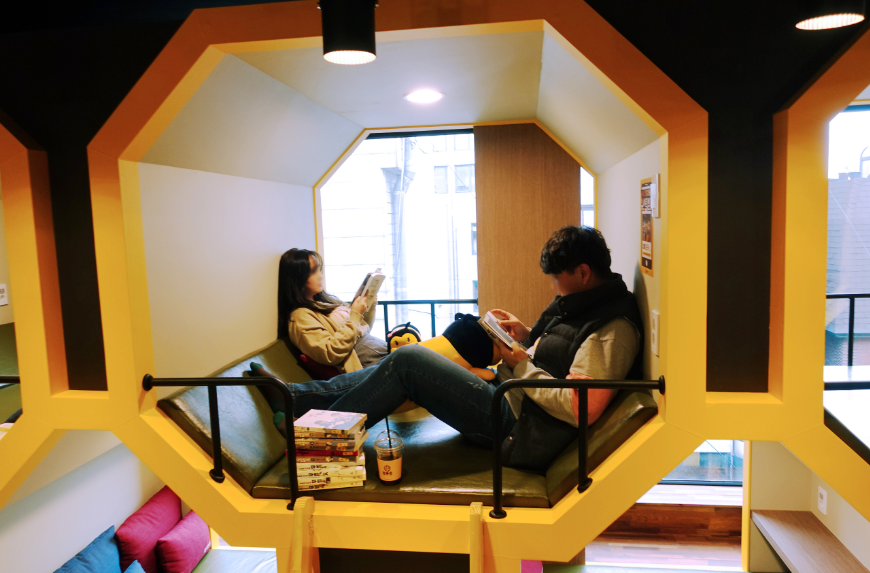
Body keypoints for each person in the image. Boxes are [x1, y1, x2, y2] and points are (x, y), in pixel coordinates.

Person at [284, 226, 643, 470]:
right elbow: (562, 351)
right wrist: (526, 333)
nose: (554, 287)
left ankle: (318, 443)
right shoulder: (585, 303)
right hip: (506, 394)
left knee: (407, 360)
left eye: (557, 279)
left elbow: (581, 409)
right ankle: (296, 399)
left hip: (516, 426)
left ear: (583, 273)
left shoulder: (610, 329)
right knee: (402, 362)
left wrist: (521, 365)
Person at [278, 248, 388, 373]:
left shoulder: (324, 303)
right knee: (406, 353)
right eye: (314, 271)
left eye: (319, 270)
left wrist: (369, 305)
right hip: (367, 366)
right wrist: (355, 314)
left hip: (379, 354)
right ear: (297, 278)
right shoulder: (300, 317)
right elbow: (330, 353)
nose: (321, 276)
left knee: (406, 345)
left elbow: (362, 328)